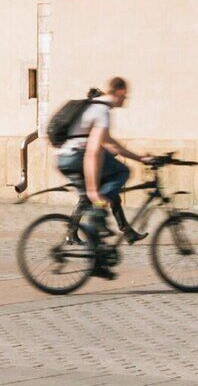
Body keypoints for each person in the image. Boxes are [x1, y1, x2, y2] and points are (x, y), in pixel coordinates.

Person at [53, 78, 145, 275]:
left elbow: (110, 144)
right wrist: (95, 191)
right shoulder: (102, 111)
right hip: (78, 157)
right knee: (122, 172)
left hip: (64, 158)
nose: (126, 99)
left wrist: (139, 158)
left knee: (96, 199)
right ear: (119, 91)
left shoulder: (94, 107)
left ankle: (97, 262)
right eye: (126, 94)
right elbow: (93, 152)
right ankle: (97, 218)